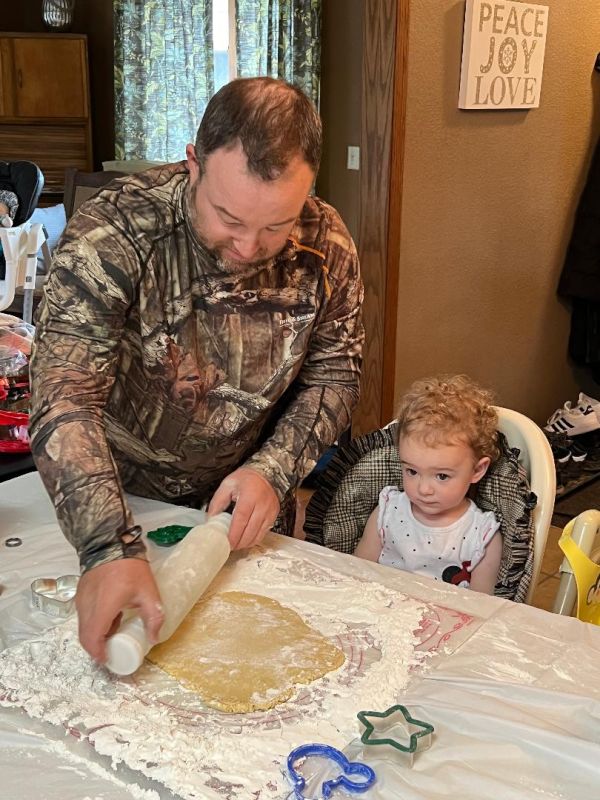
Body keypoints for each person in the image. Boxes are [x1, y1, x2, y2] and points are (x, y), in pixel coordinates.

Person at [29, 77, 364, 663]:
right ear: (193, 163)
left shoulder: (327, 242)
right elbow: (64, 398)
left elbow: (335, 373)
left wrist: (275, 469)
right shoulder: (115, 233)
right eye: (229, 218)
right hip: (114, 499)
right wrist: (108, 546)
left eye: (276, 224)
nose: (248, 246)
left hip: (245, 503)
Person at [354, 375, 502, 594]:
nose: (423, 489)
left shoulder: (482, 536)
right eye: (412, 471)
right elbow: (357, 573)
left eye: (442, 476)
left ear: (477, 470)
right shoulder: (387, 512)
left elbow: (481, 609)